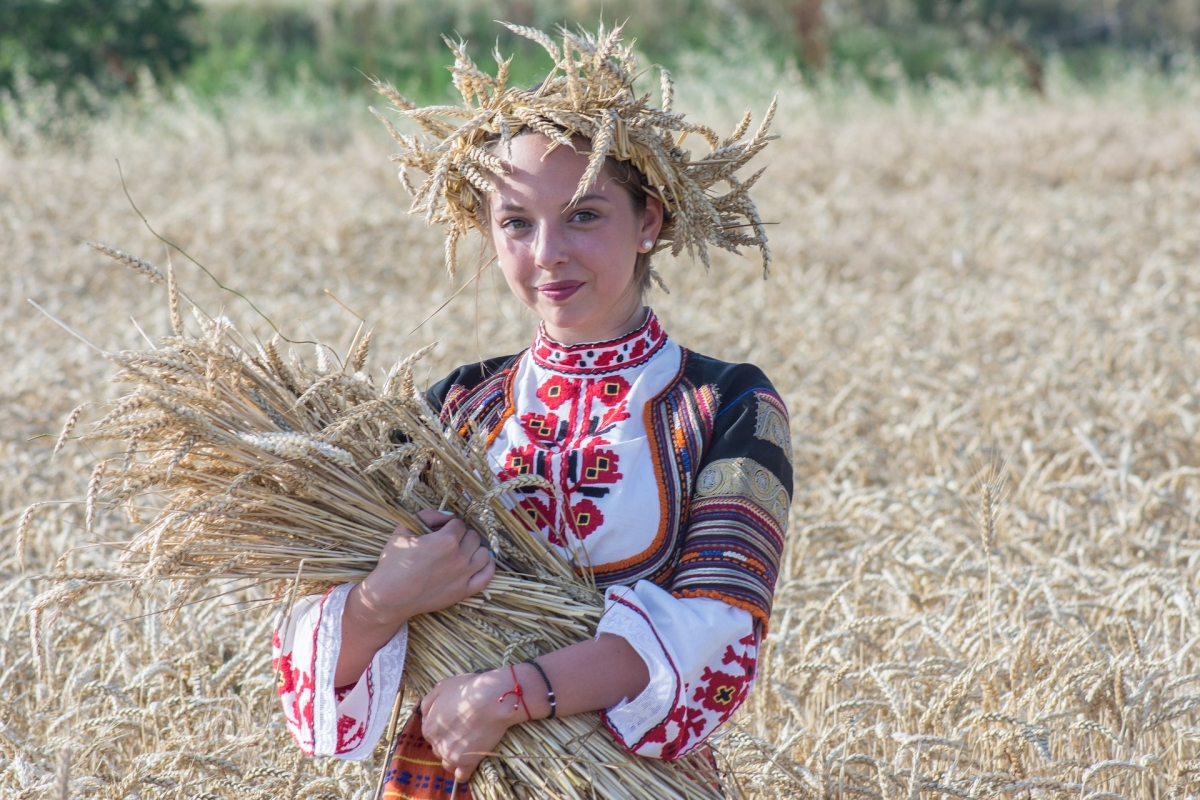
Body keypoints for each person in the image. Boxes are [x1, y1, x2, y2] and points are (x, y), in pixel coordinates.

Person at [272, 22, 791, 791]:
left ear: (648, 221)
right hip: (447, 776)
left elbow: (718, 632)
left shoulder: (725, 406)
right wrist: (385, 599)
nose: (547, 252)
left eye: (584, 214)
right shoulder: (449, 410)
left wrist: (508, 697)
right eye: (516, 221)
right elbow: (317, 657)